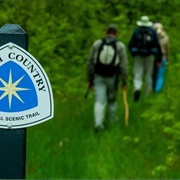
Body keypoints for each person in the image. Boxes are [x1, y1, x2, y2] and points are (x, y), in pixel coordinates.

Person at [87, 24, 128, 132]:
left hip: (98, 76)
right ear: (116, 34)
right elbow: (123, 65)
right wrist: (124, 81)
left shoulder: (97, 43)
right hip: (112, 78)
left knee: (99, 101)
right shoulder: (120, 46)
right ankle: (112, 123)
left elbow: (90, 62)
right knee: (112, 101)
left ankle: (98, 124)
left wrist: (90, 79)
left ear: (105, 32)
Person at [128, 16, 162, 101]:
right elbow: (157, 45)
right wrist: (159, 58)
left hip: (138, 55)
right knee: (149, 75)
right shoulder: (153, 32)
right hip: (150, 55)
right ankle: (148, 93)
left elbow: (130, 44)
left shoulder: (136, 32)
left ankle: (137, 88)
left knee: (138, 73)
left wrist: (134, 54)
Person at [153, 22, 169, 92]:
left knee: (153, 74)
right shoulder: (165, 37)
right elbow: (167, 49)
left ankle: (153, 88)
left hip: (154, 57)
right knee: (160, 75)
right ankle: (157, 90)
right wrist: (168, 58)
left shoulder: (152, 36)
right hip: (163, 57)